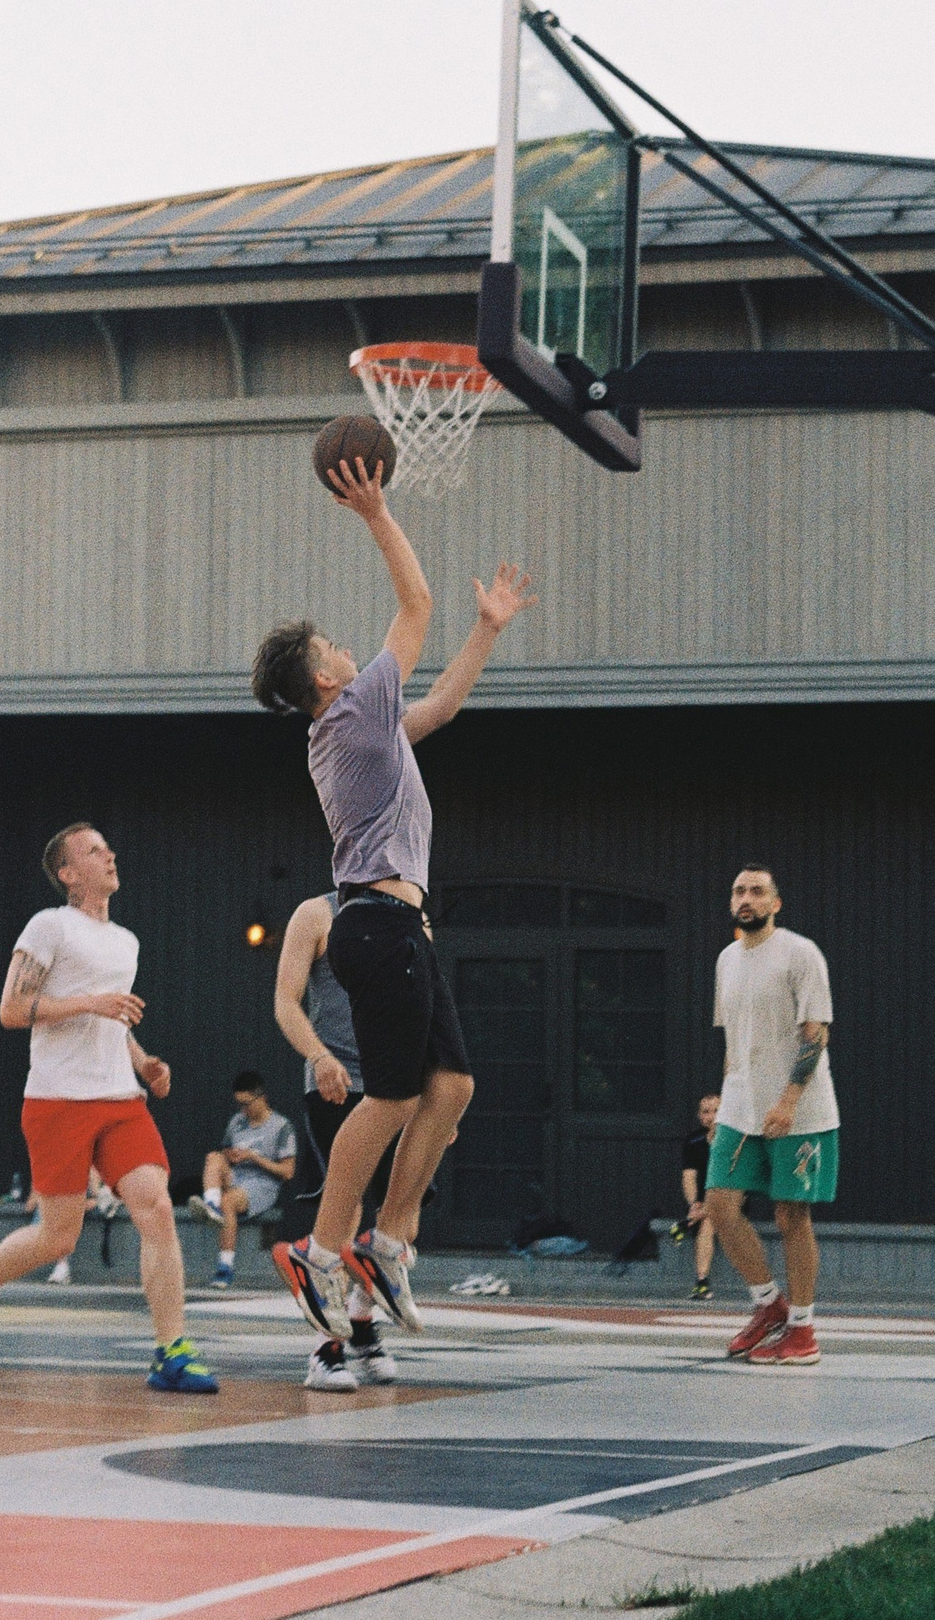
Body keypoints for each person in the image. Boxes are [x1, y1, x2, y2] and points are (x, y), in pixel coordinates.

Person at [254, 459, 535, 1339]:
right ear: (328, 681)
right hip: (375, 925)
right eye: (333, 647)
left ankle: (391, 1238)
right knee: (392, 1097)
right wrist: (376, 513)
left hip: (399, 927)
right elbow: (414, 604)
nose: (347, 647)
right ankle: (325, 1247)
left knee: (450, 1087)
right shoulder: (351, 712)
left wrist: (487, 630)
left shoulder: (360, 731)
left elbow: (442, 708)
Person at [0, 824, 215, 1393]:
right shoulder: (49, 926)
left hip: (120, 1099)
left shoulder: (127, 941)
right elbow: (12, 1009)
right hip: (58, 1099)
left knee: (156, 1208)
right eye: (94, 850)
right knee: (57, 1239)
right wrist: (89, 1003)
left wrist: (145, 1063)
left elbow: (113, 1024)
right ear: (68, 873)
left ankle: (171, 1351)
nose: (110, 854)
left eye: (108, 847)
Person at [700, 865, 836, 1366]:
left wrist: (789, 1101)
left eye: (757, 892)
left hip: (800, 1111)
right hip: (741, 1106)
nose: (746, 899)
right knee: (719, 1204)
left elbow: (816, 1033)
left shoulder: (800, 954)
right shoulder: (727, 960)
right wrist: (725, 1098)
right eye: (739, 890)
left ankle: (802, 1330)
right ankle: (768, 1304)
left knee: (790, 1215)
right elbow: (733, 1040)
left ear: (776, 903)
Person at [272, 889, 397, 1391]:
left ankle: (361, 1323)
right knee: (340, 1215)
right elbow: (286, 1000)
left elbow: (426, 1009)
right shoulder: (316, 912)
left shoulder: (410, 918)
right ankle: (326, 1350)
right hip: (336, 1084)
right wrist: (321, 1057)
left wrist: (441, 1094)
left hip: (396, 1085)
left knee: (399, 1219)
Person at [188, 1070, 295, 1289]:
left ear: (261, 1098)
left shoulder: (282, 1127)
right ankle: (211, 1206)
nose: (243, 1110)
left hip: (262, 1185)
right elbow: (225, 1151)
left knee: (228, 1200)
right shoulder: (237, 1122)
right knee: (213, 1158)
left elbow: (287, 1172)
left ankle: (225, 1268)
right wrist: (232, 1155)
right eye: (239, 1104)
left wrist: (253, 1157)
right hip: (236, 1175)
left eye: (247, 1104)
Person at [681, 1092, 721, 1300]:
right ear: (699, 1115)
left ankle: (685, 1224)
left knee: (710, 1214)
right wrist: (693, 1203)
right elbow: (689, 1176)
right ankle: (702, 1281)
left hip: (732, 1200)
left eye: (717, 1111)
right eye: (706, 1112)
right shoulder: (693, 1141)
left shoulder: (733, 1139)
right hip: (706, 1206)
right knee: (707, 1221)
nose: (712, 1116)